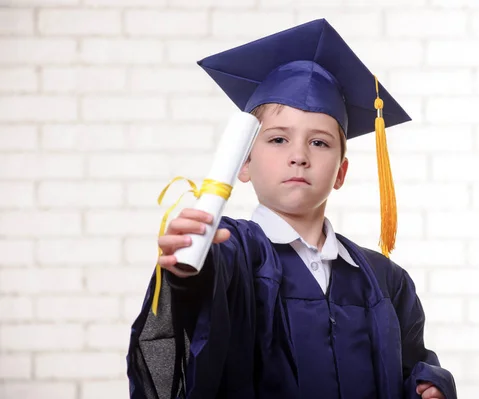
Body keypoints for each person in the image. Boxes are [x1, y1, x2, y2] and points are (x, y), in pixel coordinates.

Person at [127, 19, 457, 399]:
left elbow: (412, 362)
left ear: (340, 172)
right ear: (244, 164)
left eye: (319, 143)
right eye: (279, 139)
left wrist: (427, 385)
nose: (299, 156)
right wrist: (188, 270)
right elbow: (194, 316)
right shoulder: (231, 251)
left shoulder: (385, 279)